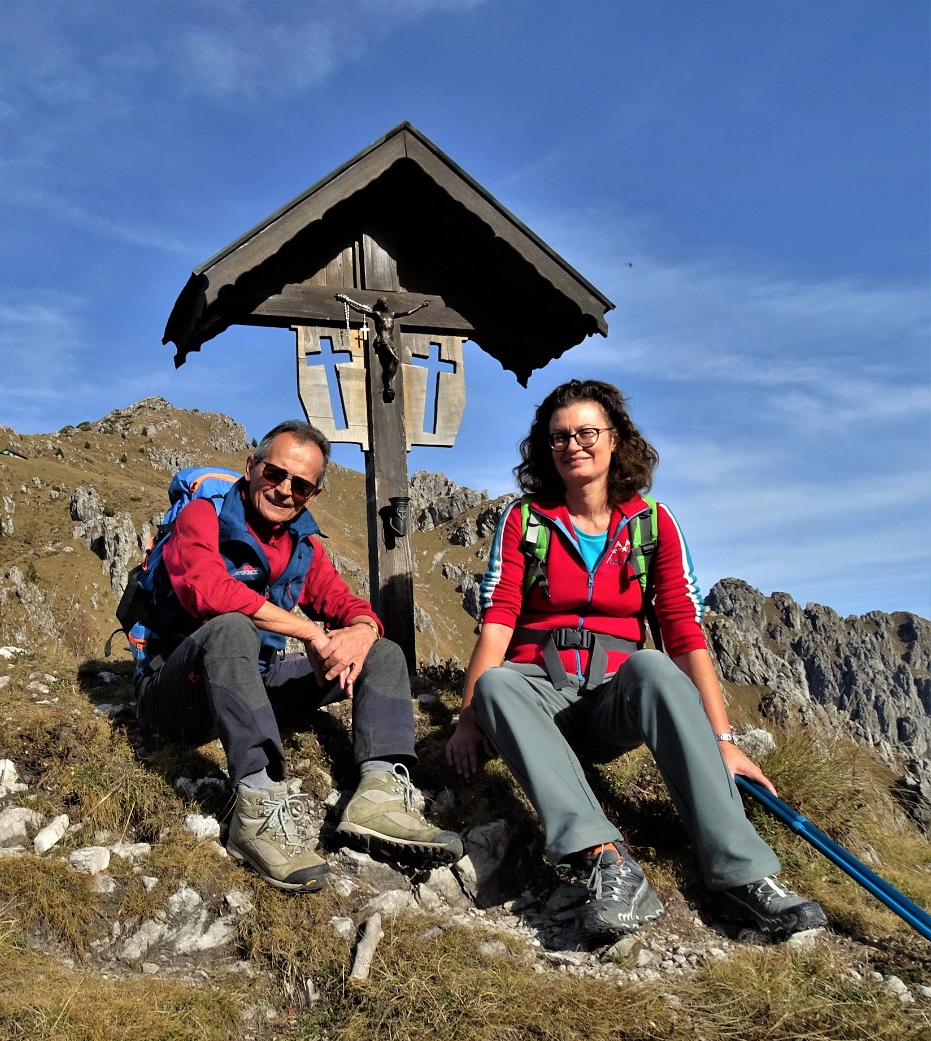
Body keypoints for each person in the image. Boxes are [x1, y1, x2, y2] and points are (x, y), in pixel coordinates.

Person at [445, 379, 826, 940]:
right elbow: (498, 619)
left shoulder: (652, 524)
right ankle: (607, 861)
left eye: (586, 432)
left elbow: (684, 632)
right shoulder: (525, 521)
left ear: (615, 439)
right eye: (558, 437)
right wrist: (468, 721)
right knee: (496, 685)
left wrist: (722, 740)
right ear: (544, 449)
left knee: (653, 666)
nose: (573, 445)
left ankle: (742, 876)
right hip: (539, 693)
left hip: (612, 699)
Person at [136, 420, 462, 892]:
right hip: (174, 694)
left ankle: (379, 795)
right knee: (228, 628)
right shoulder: (201, 517)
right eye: (274, 473)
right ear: (251, 467)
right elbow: (209, 593)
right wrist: (308, 631)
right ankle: (257, 809)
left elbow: (349, 606)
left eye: (302, 484)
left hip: (253, 683)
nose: (284, 490)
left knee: (382, 651)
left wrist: (362, 631)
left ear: (314, 493)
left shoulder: (301, 546)